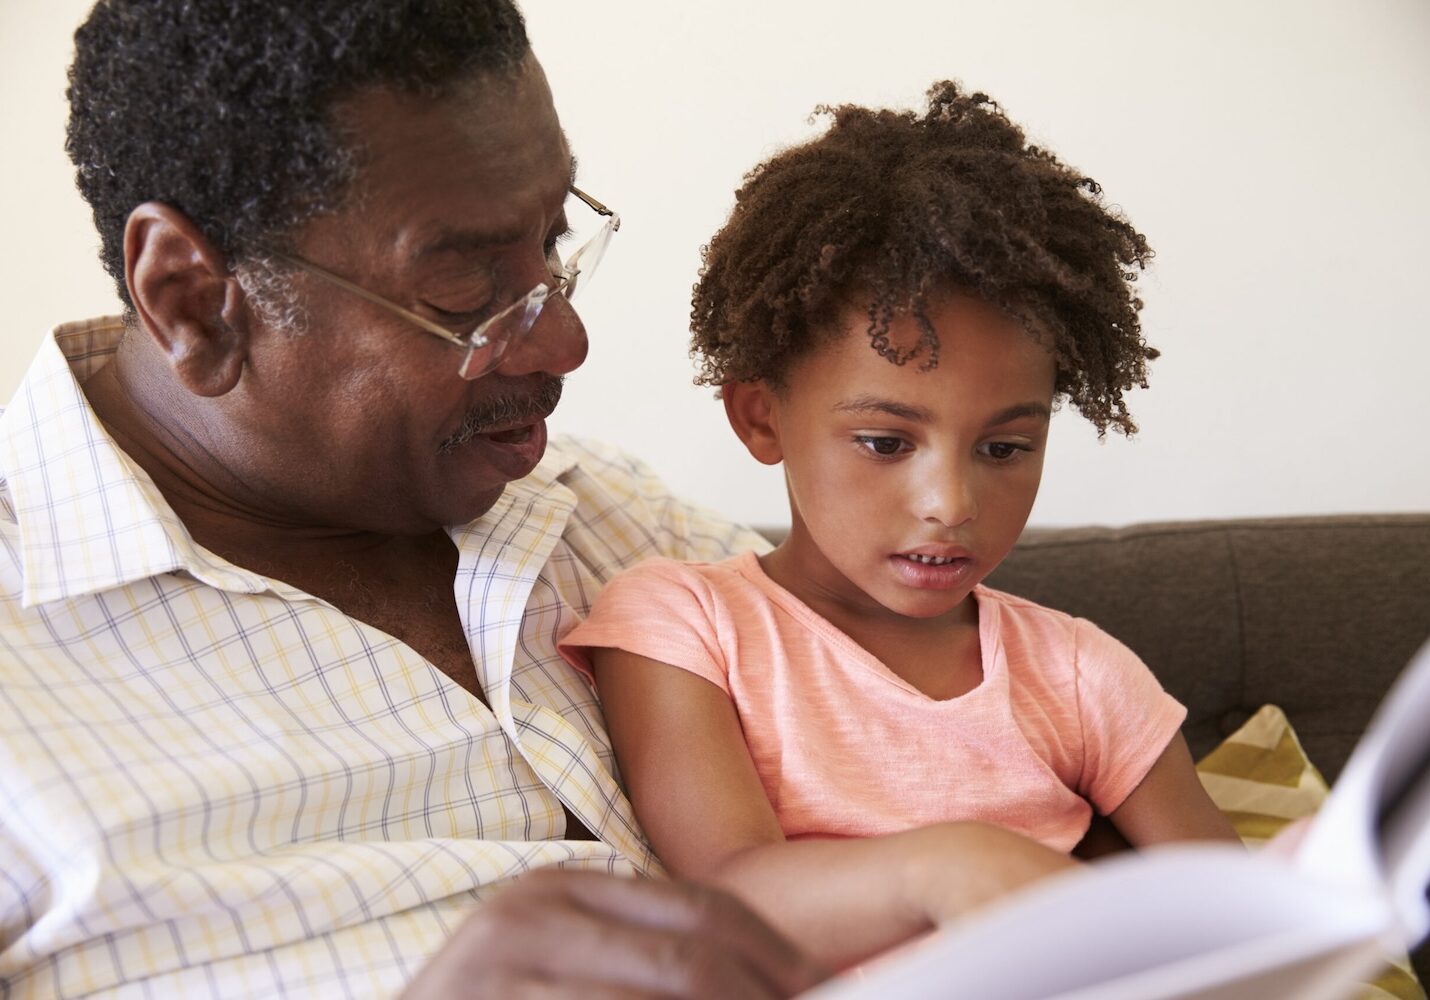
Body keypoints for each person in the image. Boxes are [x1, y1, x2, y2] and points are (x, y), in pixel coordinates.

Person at [0, 1, 839, 995]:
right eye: (460, 288)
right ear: (193, 302)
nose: (563, 342)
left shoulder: (610, 517)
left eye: (554, 236)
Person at [560, 82, 1242, 970]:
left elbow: (1233, 916)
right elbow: (726, 893)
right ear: (761, 418)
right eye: (886, 441)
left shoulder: (1081, 674)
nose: (950, 503)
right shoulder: (686, 624)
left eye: (1004, 449)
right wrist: (950, 864)